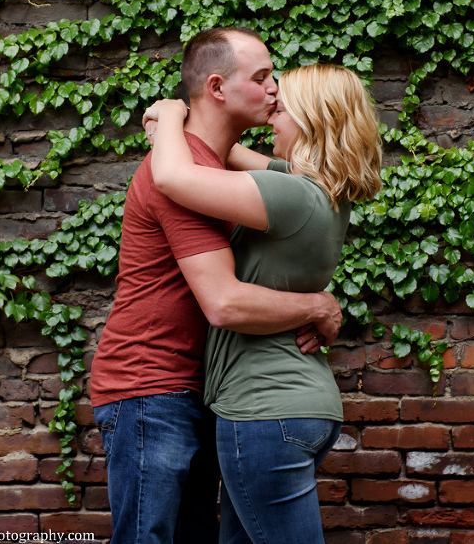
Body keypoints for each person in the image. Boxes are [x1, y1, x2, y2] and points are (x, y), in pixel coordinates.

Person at [89, 28, 344, 544]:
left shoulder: (214, 172)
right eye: (262, 78)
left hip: (199, 388)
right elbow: (224, 301)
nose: (275, 90)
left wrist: (168, 116)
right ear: (217, 87)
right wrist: (314, 304)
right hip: (150, 387)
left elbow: (298, 178)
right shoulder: (180, 177)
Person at [144, 62, 382, 544]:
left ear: (312, 121)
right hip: (297, 402)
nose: (271, 115)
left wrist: (169, 115)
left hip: (265, 410)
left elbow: (170, 175)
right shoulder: (319, 191)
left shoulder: (289, 196)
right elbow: (225, 150)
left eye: (282, 108)